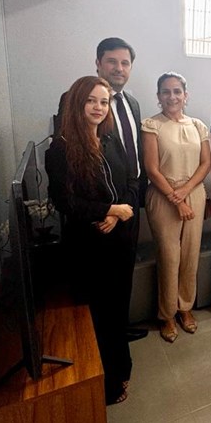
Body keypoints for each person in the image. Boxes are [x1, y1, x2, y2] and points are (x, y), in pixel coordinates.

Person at [46, 76, 138, 405]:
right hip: (90, 246)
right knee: (100, 315)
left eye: (103, 101)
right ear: (77, 103)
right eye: (91, 101)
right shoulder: (60, 149)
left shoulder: (110, 140)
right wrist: (108, 210)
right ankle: (107, 383)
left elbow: (132, 181)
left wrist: (117, 214)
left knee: (118, 310)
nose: (98, 107)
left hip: (120, 237)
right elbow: (65, 202)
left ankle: (120, 370)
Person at [54, 37, 147, 341]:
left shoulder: (132, 103)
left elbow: (134, 153)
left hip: (129, 201)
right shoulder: (72, 98)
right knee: (98, 283)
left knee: (124, 271)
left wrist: (127, 204)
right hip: (96, 213)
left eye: (125, 63)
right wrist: (108, 210)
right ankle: (103, 339)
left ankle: (119, 328)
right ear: (98, 63)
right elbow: (72, 161)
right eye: (112, 61)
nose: (119, 68)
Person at [141, 72, 210, 343]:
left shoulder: (198, 126)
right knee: (169, 257)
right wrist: (176, 198)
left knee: (191, 254)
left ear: (185, 95)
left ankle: (185, 308)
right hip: (163, 195)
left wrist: (186, 191)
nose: (172, 96)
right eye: (166, 92)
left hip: (194, 193)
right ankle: (167, 314)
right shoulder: (151, 125)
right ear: (159, 96)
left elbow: (205, 163)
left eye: (177, 91)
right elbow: (151, 169)